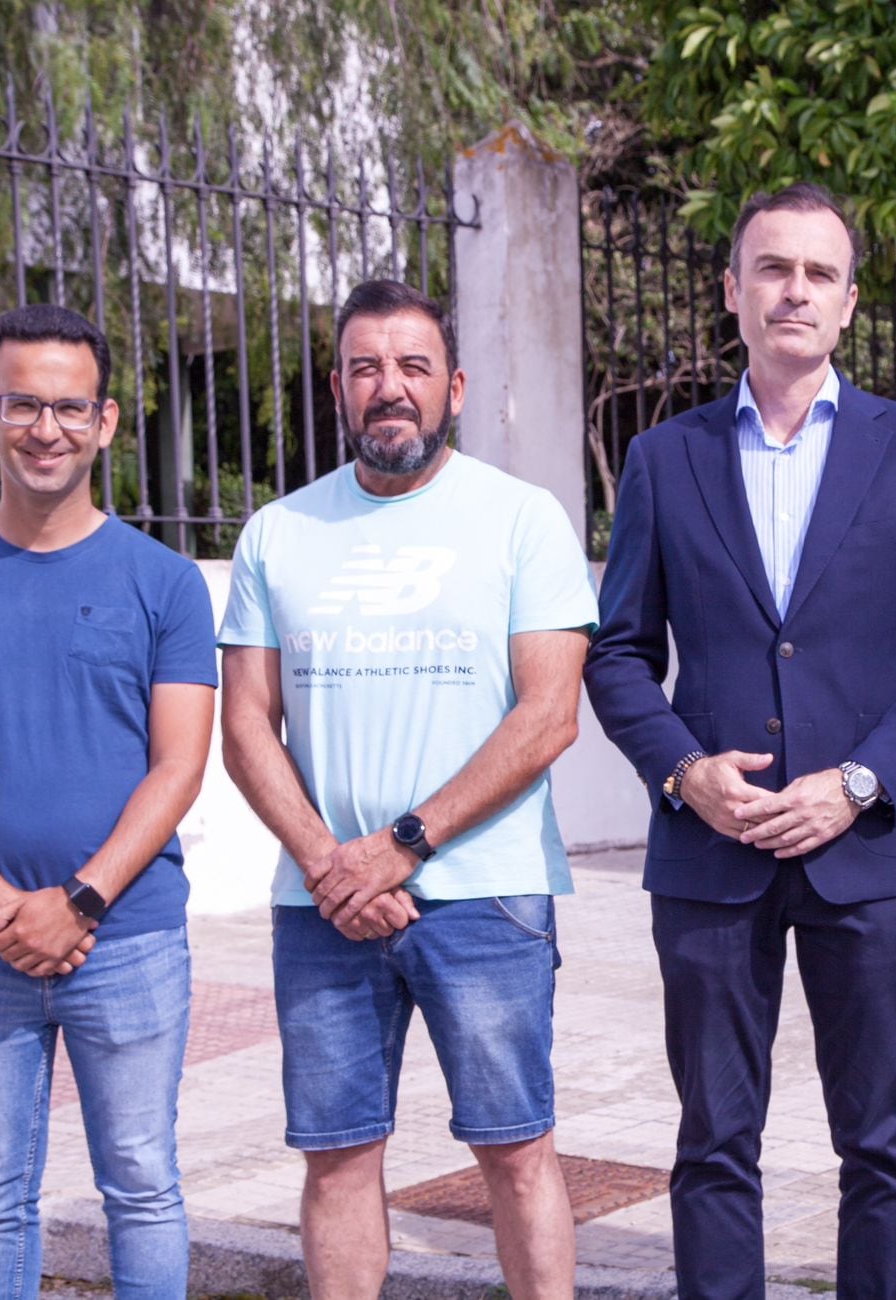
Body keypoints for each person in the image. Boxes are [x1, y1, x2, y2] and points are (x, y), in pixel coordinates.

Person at [584, 182, 896, 1299]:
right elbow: (616, 652)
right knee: (714, 1142)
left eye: (818, 273)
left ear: (851, 302)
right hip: (709, 859)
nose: (794, 291)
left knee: (881, 1144)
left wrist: (857, 783)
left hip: (862, 856)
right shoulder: (665, 459)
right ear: (733, 289)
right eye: (772, 268)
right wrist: (684, 773)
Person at [218, 279, 597, 1300]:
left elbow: (548, 714)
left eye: (414, 367)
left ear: (455, 387)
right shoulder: (278, 532)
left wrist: (402, 845)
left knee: (515, 1151)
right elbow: (246, 720)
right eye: (367, 368)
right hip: (322, 904)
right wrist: (327, 862)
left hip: (485, 895)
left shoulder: (522, 519)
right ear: (338, 386)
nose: (391, 388)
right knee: (338, 1156)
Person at [0, 304, 217, 1298]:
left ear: (105, 421)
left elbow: (178, 767)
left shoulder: (164, 582)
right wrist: (2, 911)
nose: (46, 429)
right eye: (24, 404)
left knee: (143, 1184)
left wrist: (81, 901)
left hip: (131, 938)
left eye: (69, 408)